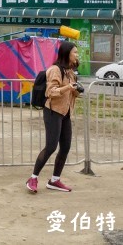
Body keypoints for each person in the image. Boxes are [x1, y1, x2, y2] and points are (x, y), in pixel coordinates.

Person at [25, 40, 81, 194]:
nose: (77, 55)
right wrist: (68, 87)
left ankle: (55, 180)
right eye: (75, 52)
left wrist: (76, 90)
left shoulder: (70, 71)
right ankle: (33, 178)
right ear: (66, 53)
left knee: (66, 147)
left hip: (66, 112)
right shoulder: (55, 70)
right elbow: (51, 92)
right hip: (53, 112)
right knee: (51, 146)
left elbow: (71, 92)